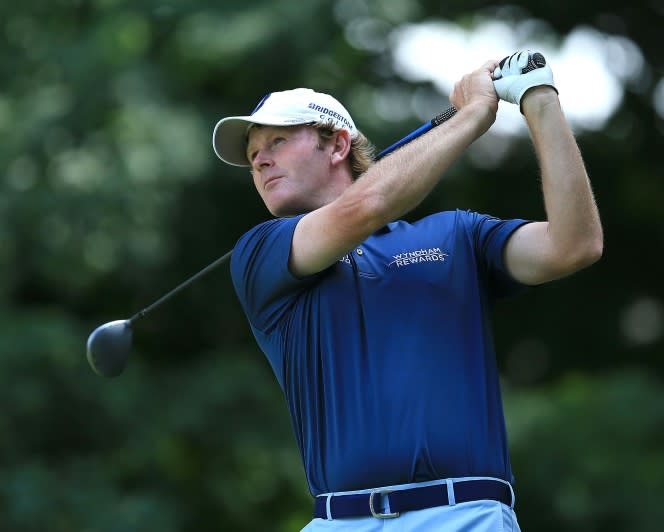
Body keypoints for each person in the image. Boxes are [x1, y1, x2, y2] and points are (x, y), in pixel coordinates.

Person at [211, 50, 602, 531]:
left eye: (277, 140)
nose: (261, 160)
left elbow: (574, 244)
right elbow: (368, 204)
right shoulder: (261, 254)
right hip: (339, 521)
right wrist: (475, 115)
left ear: (336, 145)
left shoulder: (457, 236)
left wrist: (538, 99)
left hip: (464, 516)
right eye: (253, 156)